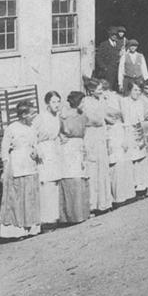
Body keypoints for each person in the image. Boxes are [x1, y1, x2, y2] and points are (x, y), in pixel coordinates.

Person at [0, 101, 42, 239]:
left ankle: (31, 228)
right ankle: (17, 231)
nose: (33, 116)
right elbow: (4, 148)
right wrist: (6, 167)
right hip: (16, 163)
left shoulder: (32, 128)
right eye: (31, 113)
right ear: (23, 114)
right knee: (17, 197)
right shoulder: (12, 128)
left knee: (30, 196)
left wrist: (36, 152)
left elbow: (36, 143)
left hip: (30, 164)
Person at [58, 92, 91, 223]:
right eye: (82, 102)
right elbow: (59, 131)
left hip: (80, 146)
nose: (84, 105)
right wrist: (61, 136)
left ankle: (82, 213)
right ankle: (71, 215)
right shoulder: (64, 116)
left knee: (81, 177)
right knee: (72, 178)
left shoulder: (83, 115)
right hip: (68, 148)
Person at [103, 79, 136, 205]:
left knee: (123, 163)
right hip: (109, 133)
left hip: (118, 131)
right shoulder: (101, 101)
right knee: (115, 165)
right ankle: (117, 196)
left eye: (105, 91)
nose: (104, 95)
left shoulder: (117, 99)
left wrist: (126, 137)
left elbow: (124, 119)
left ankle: (127, 194)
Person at [81, 78, 112, 212]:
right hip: (91, 135)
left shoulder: (102, 100)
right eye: (99, 89)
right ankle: (93, 204)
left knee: (102, 167)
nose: (101, 91)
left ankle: (104, 202)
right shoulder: (86, 102)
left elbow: (104, 117)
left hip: (100, 134)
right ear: (91, 90)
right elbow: (91, 119)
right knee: (93, 168)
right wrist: (99, 120)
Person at [34, 91, 64, 225]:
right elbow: (32, 134)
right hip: (43, 151)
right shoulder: (40, 117)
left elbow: (56, 134)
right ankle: (45, 219)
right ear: (47, 103)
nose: (56, 105)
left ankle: (54, 216)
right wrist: (36, 150)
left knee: (54, 183)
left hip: (54, 150)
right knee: (45, 183)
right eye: (53, 102)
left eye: (58, 101)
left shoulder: (57, 117)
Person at [123, 82, 148, 194]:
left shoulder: (140, 102)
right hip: (129, 130)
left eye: (139, 90)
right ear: (129, 91)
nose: (137, 93)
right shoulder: (125, 102)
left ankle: (141, 185)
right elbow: (125, 119)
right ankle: (132, 185)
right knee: (132, 158)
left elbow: (141, 119)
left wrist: (144, 134)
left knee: (141, 158)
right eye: (135, 90)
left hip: (139, 130)